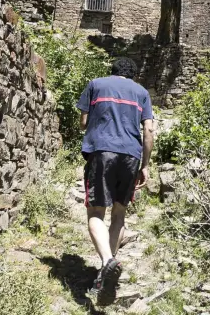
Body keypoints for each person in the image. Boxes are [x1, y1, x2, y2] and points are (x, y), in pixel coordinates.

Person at [77, 57, 155, 295]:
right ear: (132, 75)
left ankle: (107, 261)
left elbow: (83, 122)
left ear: (112, 71)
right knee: (119, 214)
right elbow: (149, 130)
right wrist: (145, 165)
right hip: (131, 156)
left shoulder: (96, 84)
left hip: (101, 151)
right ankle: (106, 273)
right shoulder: (141, 92)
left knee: (96, 212)